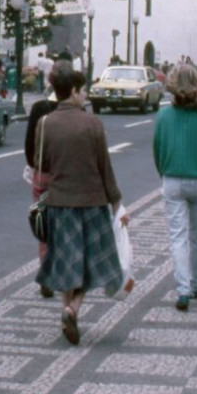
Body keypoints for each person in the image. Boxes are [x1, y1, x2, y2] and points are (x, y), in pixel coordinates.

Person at [35, 62, 128, 346]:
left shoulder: (45, 123)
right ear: (73, 91)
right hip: (92, 202)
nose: (86, 95)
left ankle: (67, 310)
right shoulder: (92, 123)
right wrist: (116, 202)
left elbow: (44, 164)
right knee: (88, 264)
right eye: (84, 90)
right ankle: (72, 309)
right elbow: (105, 167)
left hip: (59, 202)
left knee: (67, 262)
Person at [153, 63, 197, 311]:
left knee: (178, 236)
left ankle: (182, 290)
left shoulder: (163, 117)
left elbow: (157, 149)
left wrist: (164, 171)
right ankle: (196, 282)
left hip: (172, 179)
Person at [24, 93, 58, 298]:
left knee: (44, 224)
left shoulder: (38, 108)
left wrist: (34, 165)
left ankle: (46, 273)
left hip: (41, 174)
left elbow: (29, 142)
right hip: (65, 176)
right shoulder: (74, 111)